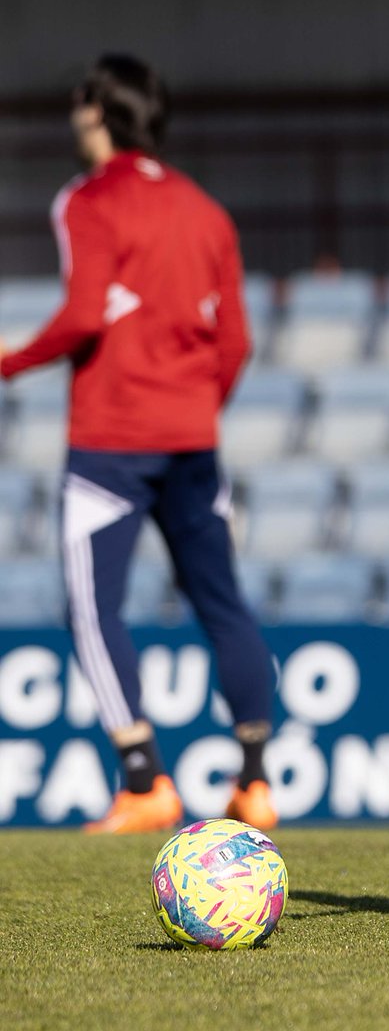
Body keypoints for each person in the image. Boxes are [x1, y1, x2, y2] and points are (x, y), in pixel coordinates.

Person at [0, 54, 278, 834]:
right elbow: (236, 341)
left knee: (93, 609)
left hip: (112, 443)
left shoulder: (86, 199)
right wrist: (194, 407)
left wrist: (11, 361)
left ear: (97, 112)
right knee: (222, 604)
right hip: (192, 440)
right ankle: (255, 781)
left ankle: (143, 780)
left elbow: (85, 314)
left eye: (78, 104)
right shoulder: (206, 210)